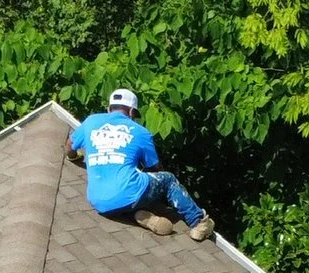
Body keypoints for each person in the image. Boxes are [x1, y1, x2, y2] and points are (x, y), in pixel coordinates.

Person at [66, 89, 215, 241]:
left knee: (124, 196)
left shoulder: (91, 121)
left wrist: (74, 157)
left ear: (109, 108)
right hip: (129, 194)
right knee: (168, 180)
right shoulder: (140, 132)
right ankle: (198, 223)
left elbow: (70, 145)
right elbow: (155, 169)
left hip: (99, 202)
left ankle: (140, 215)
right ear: (131, 112)